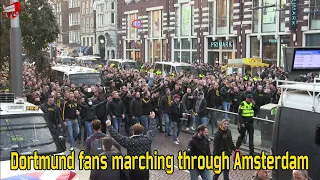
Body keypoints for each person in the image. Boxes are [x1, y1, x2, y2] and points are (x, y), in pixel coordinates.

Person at [106, 111, 157, 180]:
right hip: (145, 168)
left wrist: (109, 126)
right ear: (142, 131)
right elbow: (152, 130)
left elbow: (117, 136)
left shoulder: (129, 142)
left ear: (133, 131)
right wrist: (152, 119)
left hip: (133, 169)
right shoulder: (147, 139)